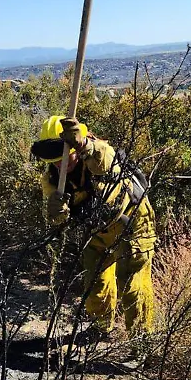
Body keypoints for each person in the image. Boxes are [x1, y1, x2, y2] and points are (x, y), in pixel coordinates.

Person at [31, 115, 155, 340]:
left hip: (133, 223)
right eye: (54, 159)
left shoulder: (98, 152)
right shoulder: (51, 178)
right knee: (96, 285)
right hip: (97, 231)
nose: (60, 164)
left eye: (64, 156)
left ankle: (142, 340)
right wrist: (56, 211)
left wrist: (85, 144)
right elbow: (56, 218)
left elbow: (105, 162)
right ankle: (101, 328)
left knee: (133, 285)